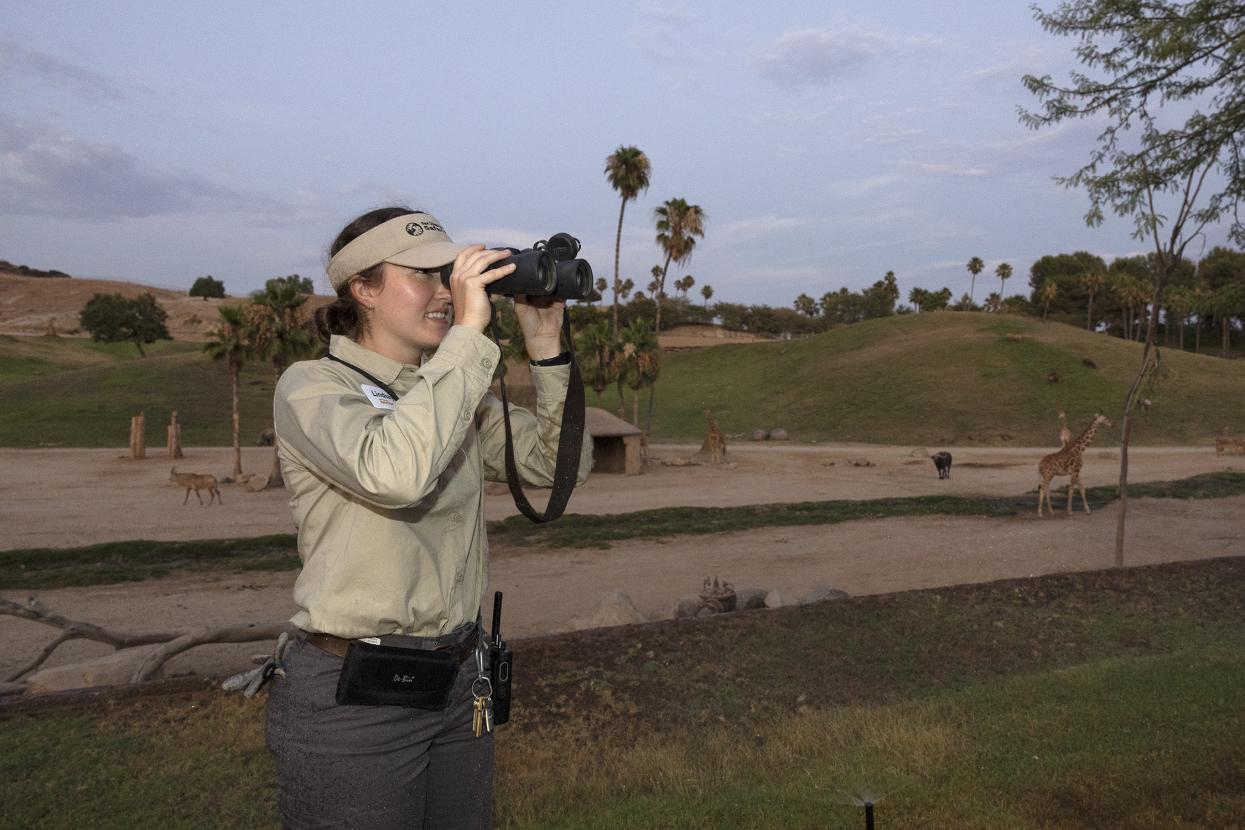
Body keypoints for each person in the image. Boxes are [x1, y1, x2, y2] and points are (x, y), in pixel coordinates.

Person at [265, 206, 591, 829]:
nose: (445, 293)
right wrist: (469, 336)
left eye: (450, 275)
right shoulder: (311, 387)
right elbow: (394, 473)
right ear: (362, 288)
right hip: (353, 695)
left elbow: (560, 468)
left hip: (459, 678)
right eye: (422, 276)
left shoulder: (449, 392)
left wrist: (545, 346)